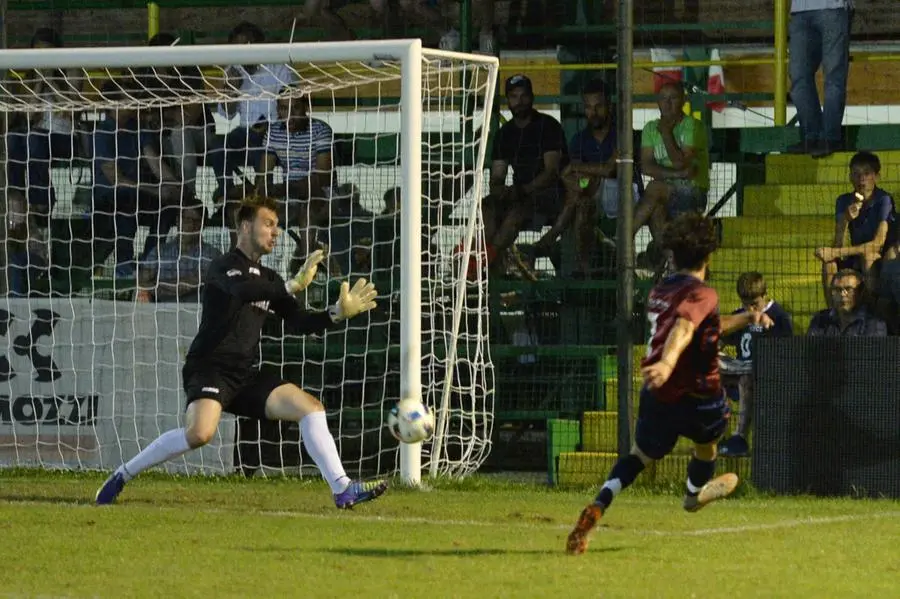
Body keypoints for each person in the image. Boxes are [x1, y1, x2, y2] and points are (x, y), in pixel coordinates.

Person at [95, 196, 387, 509]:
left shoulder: (271, 279)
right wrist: (290, 285)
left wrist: (335, 313)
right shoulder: (224, 266)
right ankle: (122, 475)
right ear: (246, 226)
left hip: (245, 374)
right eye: (269, 224)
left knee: (311, 407)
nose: (275, 232)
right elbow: (243, 291)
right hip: (209, 368)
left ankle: (342, 488)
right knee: (200, 434)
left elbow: (297, 322)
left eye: (277, 225)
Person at [565, 212, 773, 555]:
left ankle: (600, 503)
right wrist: (668, 360)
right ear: (709, 256)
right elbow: (685, 328)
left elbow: (708, 323)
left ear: (672, 256)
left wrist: (749, 316)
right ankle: (692, 495)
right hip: (700, 395)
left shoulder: (661, 290)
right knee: (708, 443)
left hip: (659, 394)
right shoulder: (703, 292)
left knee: (639, 455)